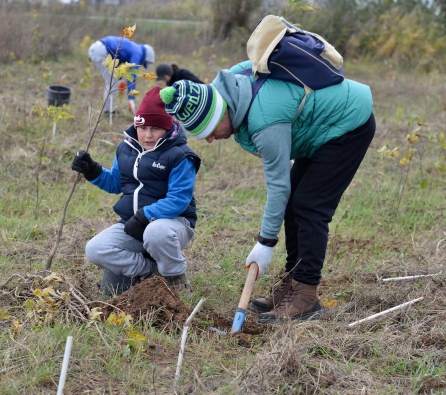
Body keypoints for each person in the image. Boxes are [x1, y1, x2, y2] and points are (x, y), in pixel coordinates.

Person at [159, 61, 375, 322]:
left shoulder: (263, 121)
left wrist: (266, 243)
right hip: (319, 128)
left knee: (309, 205)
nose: (210, 140)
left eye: (209, 131)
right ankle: (293, 284)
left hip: (348, 122)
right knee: (296, 203)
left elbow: (278, 187)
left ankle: (306, 296)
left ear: (220, 114)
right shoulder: (231, 85)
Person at [71, 86, 201, 296]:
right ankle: (150, 273)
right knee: (95, 249)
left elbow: (179, 200)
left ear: (167, 129)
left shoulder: (180, 156)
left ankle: (175, 278)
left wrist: (145, 216)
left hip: (174, 224)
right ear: (136, 126)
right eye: (143, 128)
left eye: (155, 129)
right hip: (133, 225)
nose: (148, 135)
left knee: (155, 232)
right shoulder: (126, 148)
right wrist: (92, 171)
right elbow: (115, 183)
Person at [88, 36, 155, 114]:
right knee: (111, 81)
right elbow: (132, 75)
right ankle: (107, 111)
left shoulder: (134, 48)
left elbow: (116, 63)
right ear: (145, 57)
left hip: (98, 49)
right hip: (100, 51)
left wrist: (120, 79)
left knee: (113, 80)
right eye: (144, 63)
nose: (142, 64)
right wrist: (131, 99)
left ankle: (108, 109)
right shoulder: (138, 52)